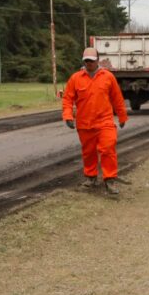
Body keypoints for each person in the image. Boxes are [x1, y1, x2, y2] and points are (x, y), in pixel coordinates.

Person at [61, 47, 128, 196]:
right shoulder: (75, 78)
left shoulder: (108, 77)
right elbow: (67, 99)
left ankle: (109, 179)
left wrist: (122, 117)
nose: (89, 64)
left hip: (105, 121)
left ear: (98, 60)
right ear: (83, 61)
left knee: (108, 148)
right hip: (85, 124)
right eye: (87, 61)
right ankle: (91, 178)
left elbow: (117, 99)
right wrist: (67, 116)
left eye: (91, 61)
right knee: (88, 152)